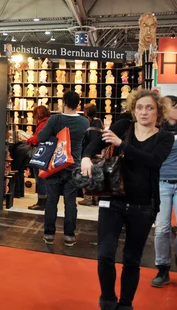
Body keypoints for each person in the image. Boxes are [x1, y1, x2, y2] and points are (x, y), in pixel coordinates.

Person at [81, 89, 173, 310]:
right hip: (113, 200)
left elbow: (153, 161)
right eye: (139, 107)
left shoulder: (164, 137)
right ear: (133, 109)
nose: (144, 112)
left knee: (132, 260)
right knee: (104, 255)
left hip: (143, 205)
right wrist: (85, 156)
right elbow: (98, 142)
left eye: (150, 108)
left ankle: (125, 304)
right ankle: (108, 300)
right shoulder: (123, 126)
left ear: (158, 111)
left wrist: (122, 144)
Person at [37, 91, 89, 247]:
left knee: (51, 200)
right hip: (74, 166)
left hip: (55, 165)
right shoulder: (84, 122)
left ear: (64, 102)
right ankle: (69, 236)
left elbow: (41, 137)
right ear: (78, 104)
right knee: (70, 202)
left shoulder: (55, 119)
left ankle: (49, 234)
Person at [151, 95, 177, 288]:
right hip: (161, 182)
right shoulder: (156, 130)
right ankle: (162, 268)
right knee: (161, 229)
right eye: (174, 106)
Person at [26, 105, 51, 210]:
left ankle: (41, 203)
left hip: (40, 153)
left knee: (40, 178)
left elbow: (37, 139)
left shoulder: (42, 124)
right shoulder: (48, 122)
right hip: (45, 152)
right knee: (42, 178)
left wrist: (28, 140)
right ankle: (43, 202)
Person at [80, 103, 104, 207]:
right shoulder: (99, 122)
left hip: (88, 153)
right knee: (96, 176)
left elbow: (90, 140)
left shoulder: (88, 123)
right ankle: (96, 199)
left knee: (86, 175)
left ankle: (88, 198)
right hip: (98, 154)